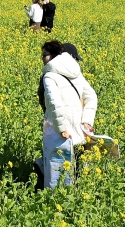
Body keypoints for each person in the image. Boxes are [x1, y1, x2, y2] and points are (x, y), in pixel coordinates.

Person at [38, 40, 98, 189]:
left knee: (56, 172)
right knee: (78, 164)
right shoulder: (76, 73)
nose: (42, 58)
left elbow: (54, 103)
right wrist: (87, 121)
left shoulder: (49, 76)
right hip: (78, 129)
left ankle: (54, 202)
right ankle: (78, 193)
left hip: (60, 131)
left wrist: (61, 128)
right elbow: (91, 96)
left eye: (44, 55)